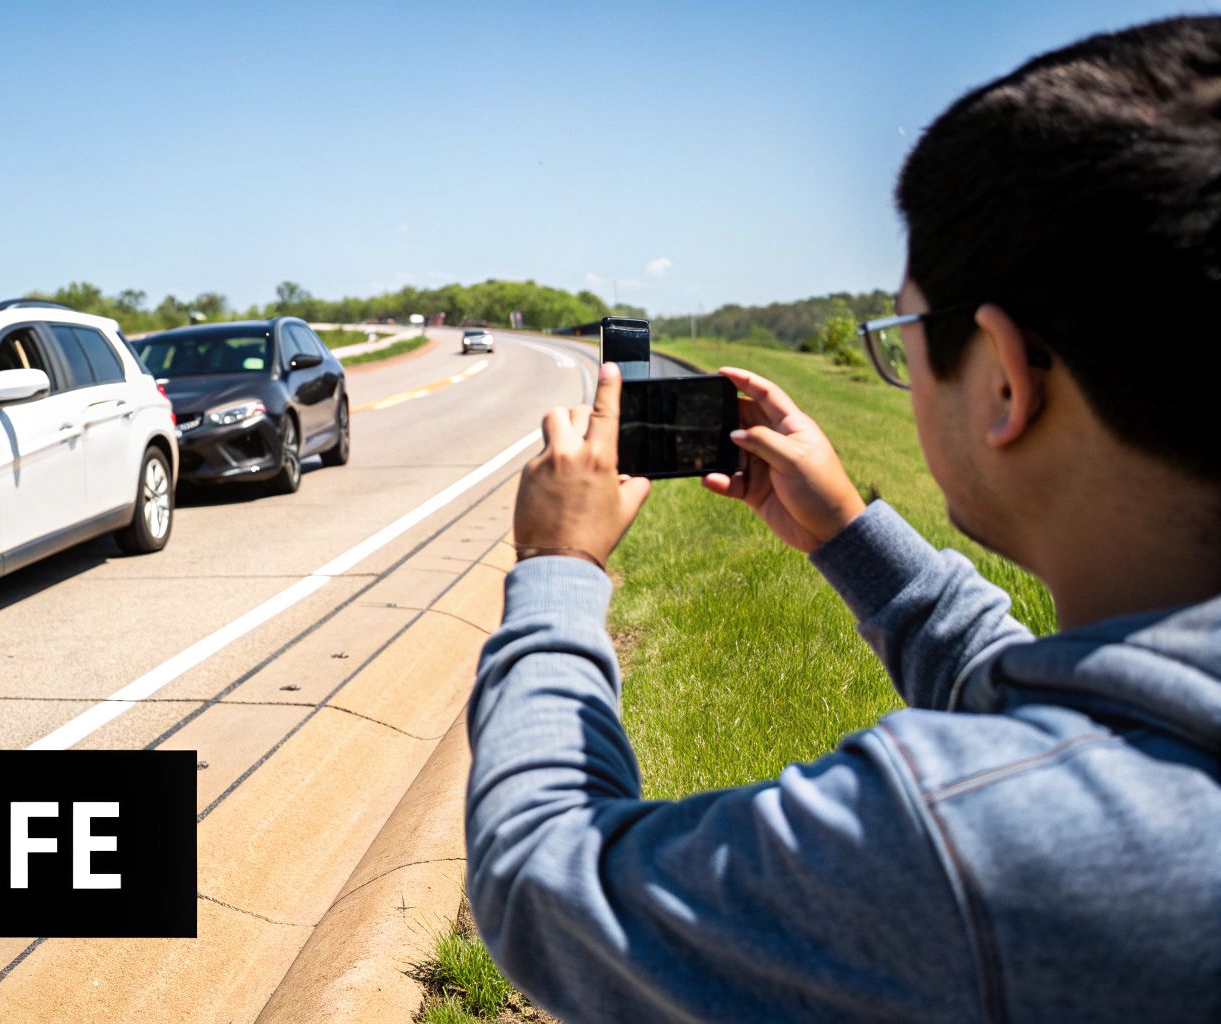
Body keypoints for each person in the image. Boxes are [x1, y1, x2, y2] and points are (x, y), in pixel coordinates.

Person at [466, 17, 1221, 1023]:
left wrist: (558, 567)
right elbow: (1078, 720)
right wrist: (852, 540)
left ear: (1003, 378)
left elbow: (543, 881)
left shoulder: (956, 847)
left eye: (902, 334)